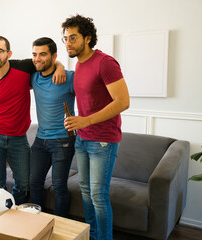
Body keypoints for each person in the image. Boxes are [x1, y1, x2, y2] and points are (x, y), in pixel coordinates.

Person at [0, 36, 66, 205]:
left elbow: (46, 61)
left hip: (18, 138)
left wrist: (60, 67)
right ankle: (2, 217)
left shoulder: (23, 67)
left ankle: (16, 212)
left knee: (23, 183)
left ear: (9, 53)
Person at [61, 15, 130, 240]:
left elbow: (123, 102)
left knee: (98, 195)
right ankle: (91, 234)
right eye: (65, 39)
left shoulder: (105, 63)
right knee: (86, 191)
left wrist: (86, 120)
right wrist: (76, 122)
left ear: (88, 38)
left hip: (103, 141)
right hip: (82, 139)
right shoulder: (79, 64)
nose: (68, 43)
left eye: (73, 38)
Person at [29, 37, 75, 217]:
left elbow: (89, 99)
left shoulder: (68, 77)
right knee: (34, 183)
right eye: (34, 54)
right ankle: (38, 223)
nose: (37, 58)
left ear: (53, 56)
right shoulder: (33, 77)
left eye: (42, 54)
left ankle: (62, 227)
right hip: (40, 140)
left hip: (63, 140)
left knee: (59, 186)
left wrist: (61, 67)